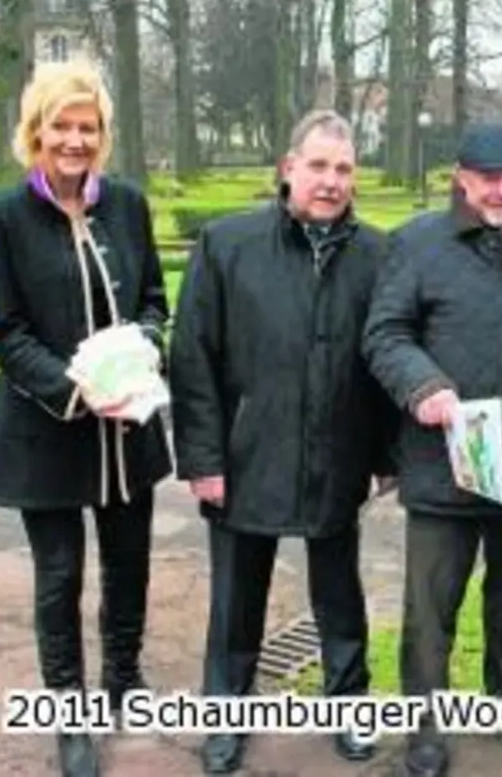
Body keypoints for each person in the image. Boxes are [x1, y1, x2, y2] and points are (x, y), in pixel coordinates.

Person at [168, 110, 401, 774]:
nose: (330, 182)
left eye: (344, 169)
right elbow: (193, 359)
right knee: (236, 602)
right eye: (319, 166)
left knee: (340, 597)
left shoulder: (378, 254)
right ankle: (225, 721)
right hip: (247, 456)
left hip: (339, 455)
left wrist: (383, 457)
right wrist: (204, 459)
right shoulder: (227, 244)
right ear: (288, 169)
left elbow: (387, 359)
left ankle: (349, 707)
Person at [0, 61, 172, 777]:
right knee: (60, 577)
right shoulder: (2, 216)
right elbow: (6, 331)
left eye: (88, 127)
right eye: (62, 125)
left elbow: (153, 298)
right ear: (37, 131)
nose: (75, 139)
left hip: (128, 428)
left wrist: (142, 347)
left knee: (130, 565)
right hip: (47, 431)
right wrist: (76, 387)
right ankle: (72, 715)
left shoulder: (128, 204)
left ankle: (124, 680)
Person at [362, 122, 502, 777]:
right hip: (443, 462)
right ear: (462, 177)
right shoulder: (418, 245)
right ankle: (422, 725)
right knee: (432, 605)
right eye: (490, 179)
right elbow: (385, 334)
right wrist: (423, 386)